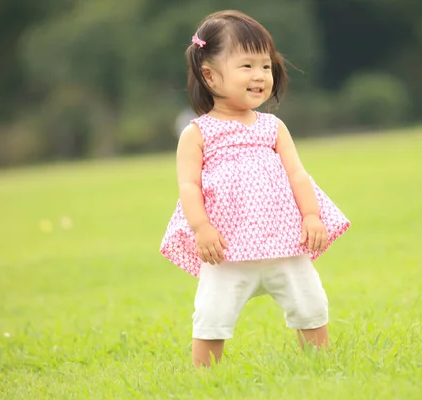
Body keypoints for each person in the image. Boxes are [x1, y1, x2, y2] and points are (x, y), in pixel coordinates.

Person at [159, 10, 350, 368]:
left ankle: (321, 364)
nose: (260, 75)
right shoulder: (198, 133)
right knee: (212, 314)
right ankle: (205, 377)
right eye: (247, 66)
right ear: (210, 75)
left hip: (285, 242)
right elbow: (188, 186)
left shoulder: (272, 127)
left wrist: (311, 216)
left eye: (266, 66)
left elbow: (298, 175)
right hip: (227, 248)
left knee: (310, 302)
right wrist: (201, 228)